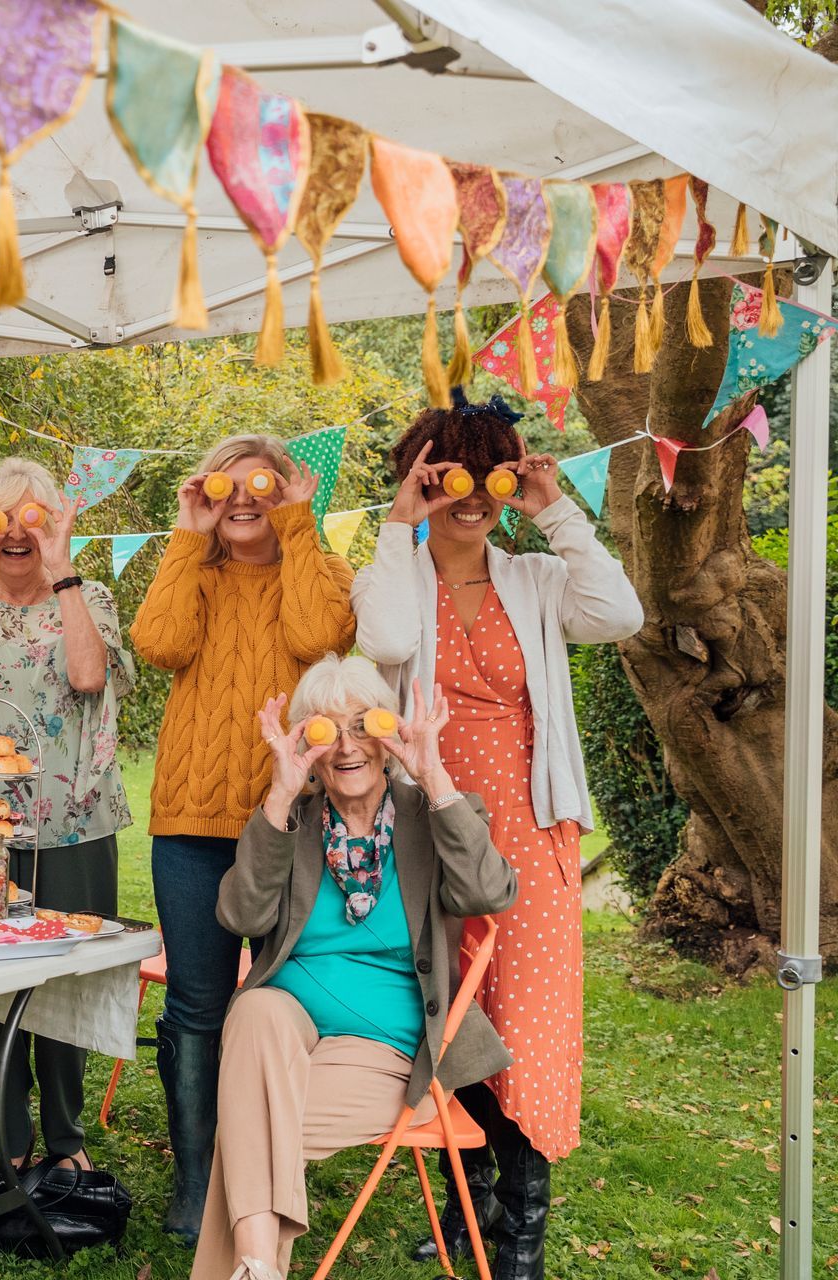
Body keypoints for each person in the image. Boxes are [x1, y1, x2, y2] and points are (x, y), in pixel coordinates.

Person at [352, 394, 641, 1280]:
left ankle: (520, 1234)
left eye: (492, 471)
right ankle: (469, 1204)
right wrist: (405, 526)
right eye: (452, 474)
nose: (472, 495)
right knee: (456, 1010)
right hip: (433, 830)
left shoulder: (534, 578)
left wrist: (553, 507)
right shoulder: (393, 575)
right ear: (423, 476)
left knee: (531, 1020)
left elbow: (620, 613)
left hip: (529, 827)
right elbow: (390, 638)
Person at [191, 655, 517, 1280]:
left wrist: (435, 775)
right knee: (256, 1009)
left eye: (362, 726)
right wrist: (283, 793)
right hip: (285, 1031)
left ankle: (253, 1266)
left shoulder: (434, 817)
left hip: (388, 1049)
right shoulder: (296, 821)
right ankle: (259, 1268)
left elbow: (489, 892)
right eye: (325, 729)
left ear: (387, 734)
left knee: (247, 1120)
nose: (346, 747)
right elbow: (241, 915)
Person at [130, 434, 355, 1240]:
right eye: (225, 487)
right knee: (196, 1004)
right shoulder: (194, 567)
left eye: (259, 485)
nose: (242, 499)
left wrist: (300, 529)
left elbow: (315, 637)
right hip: (190, 821)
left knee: (277, 998)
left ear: (286, 491)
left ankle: (258, 1170)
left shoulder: (318, 568)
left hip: (289, 822)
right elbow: (159, 643)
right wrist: (189, 536)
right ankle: (196, 1184)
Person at [0, 457, 135, 1172]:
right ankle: (10, 1144)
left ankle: (67, 1141)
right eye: (1, 518)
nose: (16, 532)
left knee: (66, 980)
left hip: (73, 821)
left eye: (33, 518)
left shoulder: (89, 594)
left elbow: (87, 676)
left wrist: (64, 570)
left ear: (54, 525)